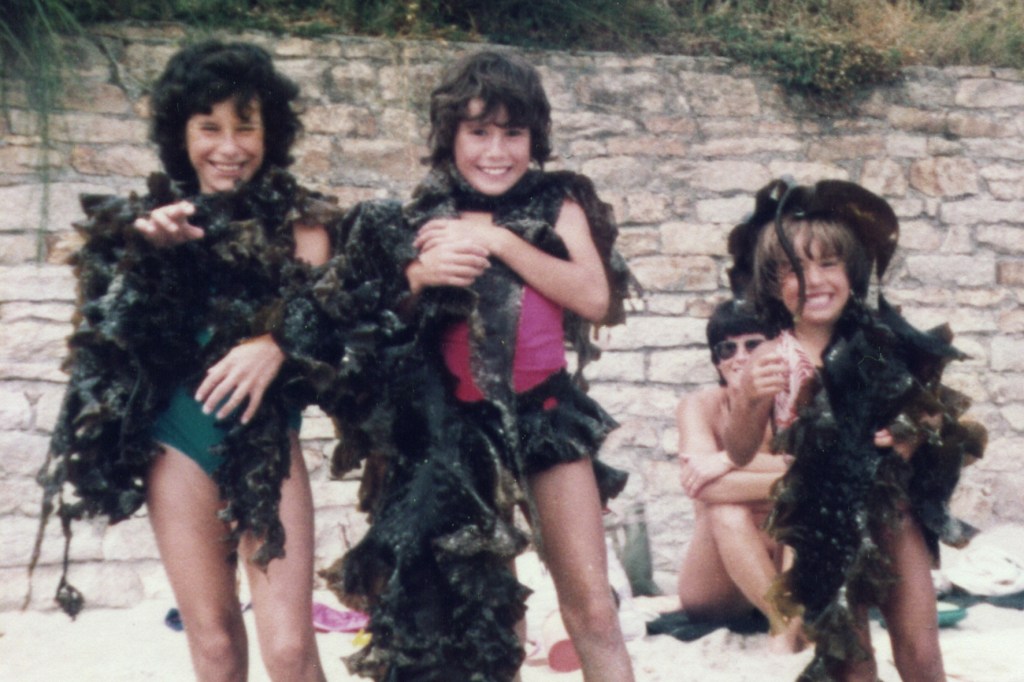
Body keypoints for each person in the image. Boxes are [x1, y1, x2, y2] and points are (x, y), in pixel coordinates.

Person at [318, 50, 636, 681]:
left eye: (513, 133)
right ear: (450, 136)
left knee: (594, 611)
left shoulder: (557, 204)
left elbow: (595, 298)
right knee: (490, 622)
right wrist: (417, 275)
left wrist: (499, 240)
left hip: (546, 419)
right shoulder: (423, 215)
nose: (496, 151)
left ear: (534, 138)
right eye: (478, 132)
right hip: (454, 439)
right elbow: (370, 320)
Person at [34, 41, 340, 681]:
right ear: (182, 133)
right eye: (209, 127)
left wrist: (275, 344)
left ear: (270, 132)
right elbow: (107, 342)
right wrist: (142, 257)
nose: (229, 146)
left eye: (245, 127)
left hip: (267, 442)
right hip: (176, 442)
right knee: (216, 647)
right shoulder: (152, 221)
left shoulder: (302, 222)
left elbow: (334, 315)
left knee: (290, 650)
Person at [722, 179, 986, 681]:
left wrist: (912, 429)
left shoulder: (873, 348)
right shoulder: (772, 359)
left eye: (829, 263)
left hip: (891, 514)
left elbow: (929, 413)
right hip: (821, 528)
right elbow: (738, 451)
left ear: (853, 272)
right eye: (795, 269)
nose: (814, 280)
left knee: (921, 652)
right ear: (773, 283)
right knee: (850, 663)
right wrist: (749, 399)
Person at [675, 299, 803, 652]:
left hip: (783, 561)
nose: (740, 357)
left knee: (804, 511)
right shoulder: (701, 406)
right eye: (726, 349)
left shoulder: (796, 404)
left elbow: (830, 470)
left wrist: (727, 460)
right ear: (717, 361)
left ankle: (786, 628)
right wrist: (797, 473)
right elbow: (707, 488)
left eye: (753, 344)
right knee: (727, 510)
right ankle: (784, 623)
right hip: (718, 582)